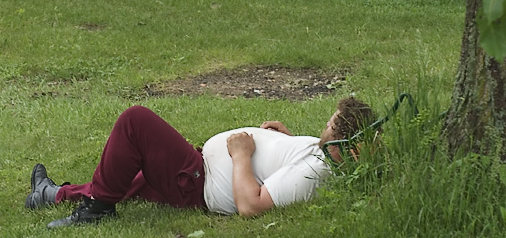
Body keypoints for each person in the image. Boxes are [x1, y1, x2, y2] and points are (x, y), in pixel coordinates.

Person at [25, 97, 376, 228]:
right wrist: (283, 141)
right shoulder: (327, 159)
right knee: (128, 177)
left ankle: (95, 211)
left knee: (136, 121)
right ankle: (52, 194)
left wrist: (241, 155)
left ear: (344, 144)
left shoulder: (316, 173)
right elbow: (288, 167)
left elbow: (251, 205)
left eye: (330, 125)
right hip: (199, 169)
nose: (324, 127)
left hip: (197, 182)